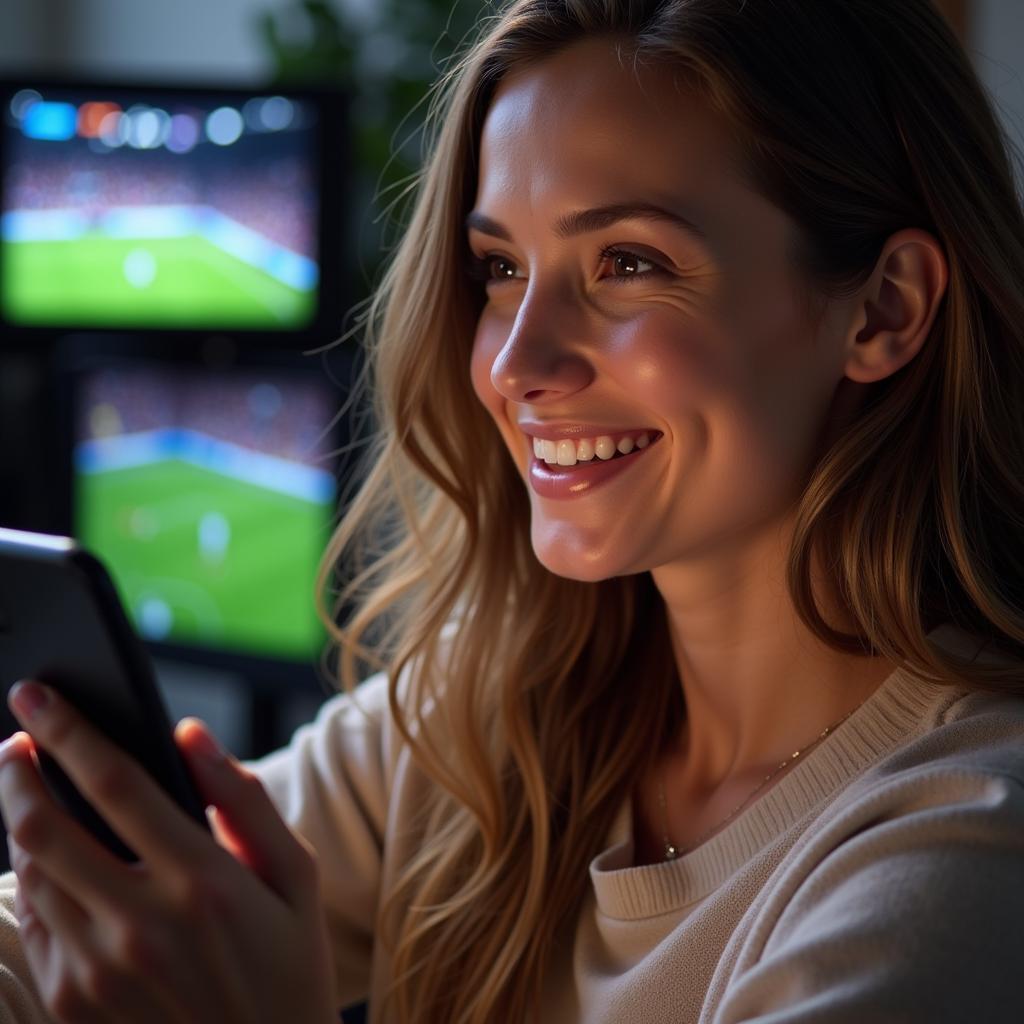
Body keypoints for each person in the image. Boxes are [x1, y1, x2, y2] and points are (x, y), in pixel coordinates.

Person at [2, 0, 1024, 1020]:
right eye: (500, 268)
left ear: (885, 307)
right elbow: (111, 917)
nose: (516, 362)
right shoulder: (492, 713)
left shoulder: (967, 842)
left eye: (627, 263)